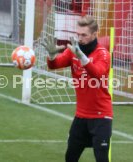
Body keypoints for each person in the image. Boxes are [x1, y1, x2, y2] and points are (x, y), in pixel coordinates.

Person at [42, 15, 113, 162]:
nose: (80, 38)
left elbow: (97, 74)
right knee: (70, 157)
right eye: (78, 34)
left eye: (84, 35)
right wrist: (52, 55)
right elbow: (54, 65)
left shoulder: (103, 54)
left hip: (101, 116)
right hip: (81, 116)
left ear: (94, 34)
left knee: (101, 158)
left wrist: (81, 57)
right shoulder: (74, 50)